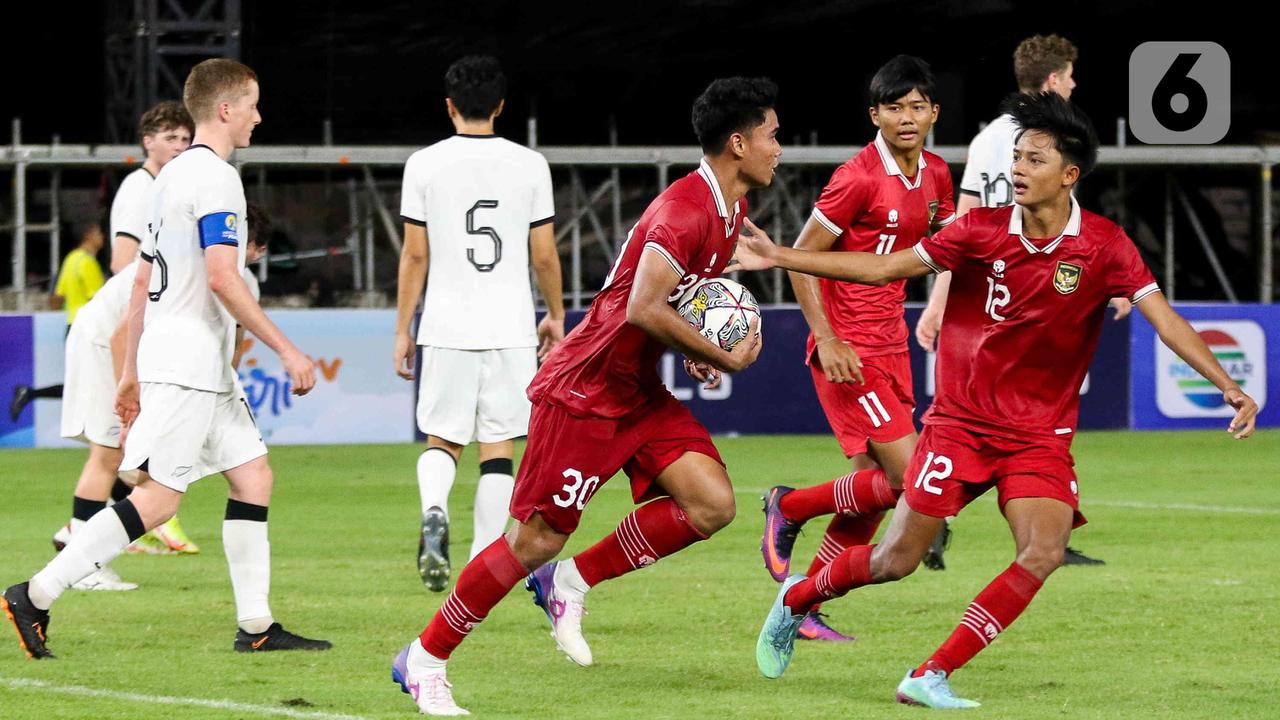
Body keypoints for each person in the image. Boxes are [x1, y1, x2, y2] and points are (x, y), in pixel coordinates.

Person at [738, 92, 1258, 708]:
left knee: (1043, 551)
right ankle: (798, 597)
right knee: (894, 561)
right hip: (960, 426)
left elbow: (1164, 319)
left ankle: (929, 674)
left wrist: (1226, 384)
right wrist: (780, 255)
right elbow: (887, 269)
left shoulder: (1104, 244)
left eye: (1033, 159)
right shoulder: (978, 230)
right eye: (1015, 156)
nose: (1016, 169)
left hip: (1039, 435)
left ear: (1068, 174)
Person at [389, 76, 777, 716]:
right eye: (772, 134)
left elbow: (667, 305)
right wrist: (718, 354)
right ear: (738, 142)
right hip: (588, 390)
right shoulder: (685, 210)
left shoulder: (728, 208)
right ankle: (425, 658)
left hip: (637, 391)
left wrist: (690, 348)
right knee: (533, 539)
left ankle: (571, 580)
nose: (778, 148)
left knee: (710, 504)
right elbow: (642, 307)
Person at [2, 58, 330, 659]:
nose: (259, 116)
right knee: (157, 500)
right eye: (253, 104)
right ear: (226, 110)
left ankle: (256, 626)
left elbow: (140, 278)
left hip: (187, 359)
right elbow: (224, 279)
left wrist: (128, 372)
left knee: (254, 475)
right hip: (188, 361)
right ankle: (36, 593)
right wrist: (288, 350)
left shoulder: (170, 177)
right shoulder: (216, 179)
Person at [760, 55, 953, 642]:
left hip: (893, 344)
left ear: (934, 113)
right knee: (915, 482)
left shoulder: (939, 175)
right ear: (876, 114)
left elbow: (941, 242)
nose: (907, 117)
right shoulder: (857, 177)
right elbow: (800, 258)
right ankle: (787, 507)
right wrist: (827, 336)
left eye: (918, 106)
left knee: (868, 498)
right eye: (895, 108)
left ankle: (804, 607)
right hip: (849, 354)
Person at [914, 34, 1108, 569]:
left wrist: (937, 303)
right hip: (1031, 304)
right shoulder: (1059, 143)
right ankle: (1038, 531)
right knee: (1043, 411)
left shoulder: (985, 141)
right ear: (1052, 81)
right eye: (1069, 76)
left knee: (984, 417)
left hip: (985, 302)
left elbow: (963, 225)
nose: (1073, 84)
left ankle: (944, 520)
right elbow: (970, 228)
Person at [393, 55, 565, 592]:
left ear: (449, 106)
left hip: (445, 325)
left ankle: (435, 508)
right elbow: (543, 254)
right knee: (499, 448)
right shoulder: (529, 164)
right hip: (509, 325)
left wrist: (403, 327)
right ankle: (478, 564)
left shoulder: (423, 164)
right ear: (500, 106)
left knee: (442, 440)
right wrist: (556, 314)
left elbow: (415, 256)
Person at [46, 210, 271, 591]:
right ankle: (82, 563)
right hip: (102, 342)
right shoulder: (194, 270)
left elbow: (231, 345)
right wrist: (131, 397)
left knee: (135, 463)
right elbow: (121, 335)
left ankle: (79, 536)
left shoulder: (232, 276)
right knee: (108, 453)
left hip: (127, 346)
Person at [8, 220, 105, 421]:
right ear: (88, 235)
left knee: (81, 384)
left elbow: (56, 300)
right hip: (89, 328)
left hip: (71, 328)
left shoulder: (70, 260)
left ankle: (30, 393)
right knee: (94, 383)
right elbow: (101, 300)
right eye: (99, 233)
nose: (102, 238)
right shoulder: (87, 262)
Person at [110, 101, 195, 274]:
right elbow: (121, 263)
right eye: (170, 138)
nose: (179, 146)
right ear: (148, 142)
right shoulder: (139, 186)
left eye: (185, 139)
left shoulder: (164, 188)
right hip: (144, 297)